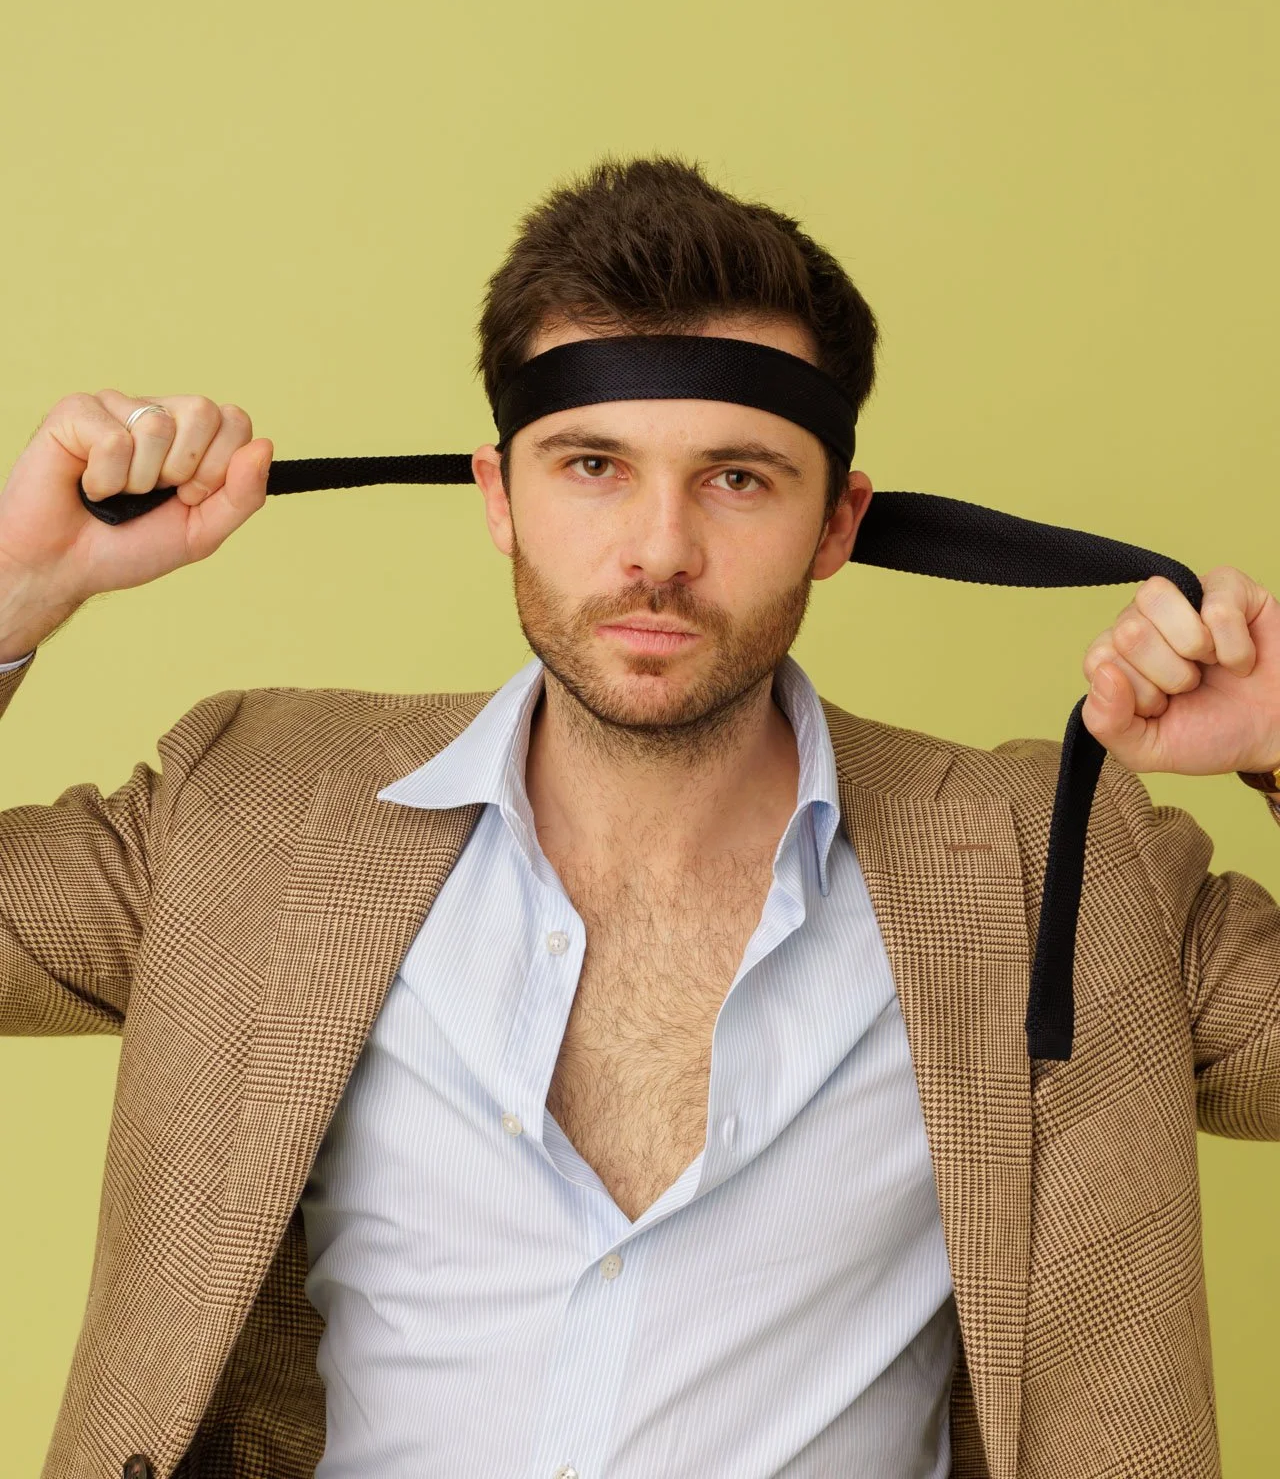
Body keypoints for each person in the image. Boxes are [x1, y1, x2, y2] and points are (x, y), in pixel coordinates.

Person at [1, 157, 1277, 1479]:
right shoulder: (256, 810)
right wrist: (15, 585)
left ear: (838, 519)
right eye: (595, 465)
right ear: (501, 495)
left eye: (737, 479)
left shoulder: (1057, 869)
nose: (659, 549)